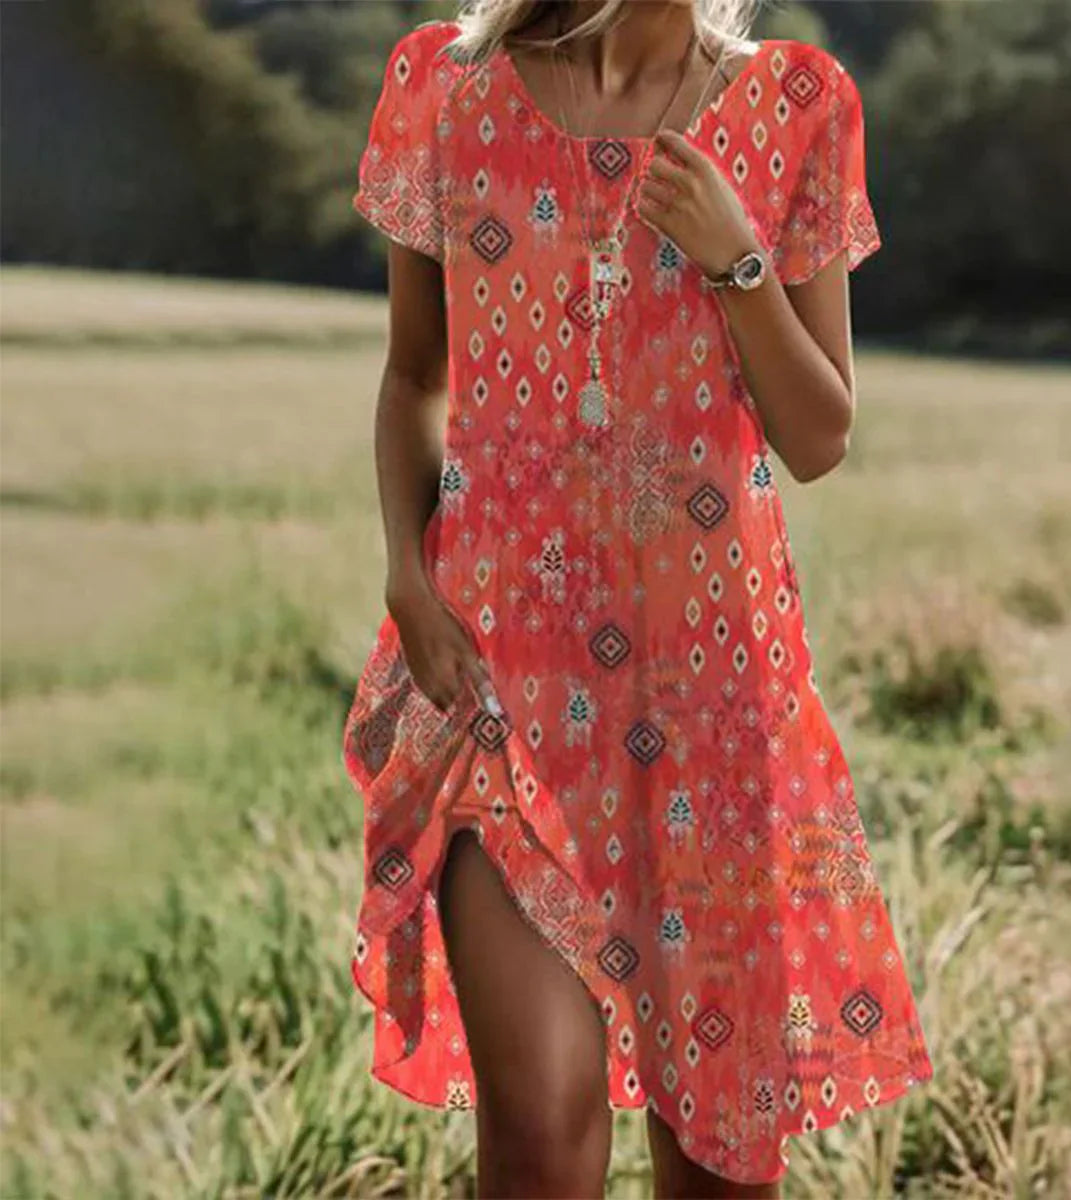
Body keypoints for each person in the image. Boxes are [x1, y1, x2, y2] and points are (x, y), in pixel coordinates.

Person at [341, 1, 933, 1195]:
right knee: (539, 1135)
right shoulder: (445, 86)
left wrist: (738, 259)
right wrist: (409, 573)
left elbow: (817, 435)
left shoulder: (797, 106)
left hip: (714, 701)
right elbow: (415, 373)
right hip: (503, 688)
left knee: (719, 1156)